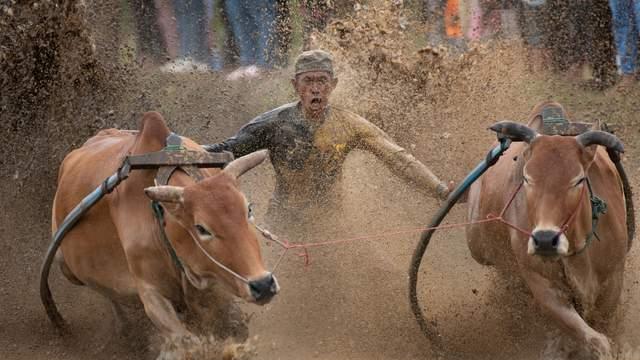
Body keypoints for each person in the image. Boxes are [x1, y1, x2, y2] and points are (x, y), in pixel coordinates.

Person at [204, 50, 452, 226]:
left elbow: (399, 159)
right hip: (283, 224)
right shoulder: (273, 123)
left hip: (330, 226)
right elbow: (226, 150)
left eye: (321, 81)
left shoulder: (351, 125)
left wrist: (440, 190)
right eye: (308, 81)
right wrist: (178, 152)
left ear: (332, 85)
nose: (315, 89)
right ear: (295, 85)